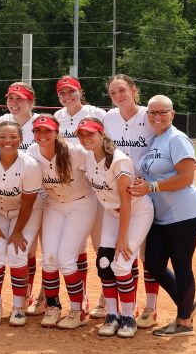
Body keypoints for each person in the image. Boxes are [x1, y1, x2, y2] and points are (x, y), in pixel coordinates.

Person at [129, 96, 196, 337]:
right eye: (152, 112)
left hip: (183, 213)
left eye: (163, 112)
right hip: (162, 215)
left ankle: (184, 323)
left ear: (172, 114)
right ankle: (188, 305)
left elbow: (186, 177)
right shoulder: (157, 139)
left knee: (181, 264)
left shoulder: (176, 138)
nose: (157, 116)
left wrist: (151, 187)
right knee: (153, 263)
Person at [75, 118, 154, 338]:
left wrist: (122, 238)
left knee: (121, 264)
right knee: (104, 262)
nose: (85, 139)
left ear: (102, 135)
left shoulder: (118, 161)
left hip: (136, 211)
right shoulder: (88, 156)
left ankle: (128, 317)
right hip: (112, 212)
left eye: (90, 134)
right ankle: (113, 315)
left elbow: (126, 201)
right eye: (81, 135)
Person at [27, 114, 96, 330]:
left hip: (81, 204)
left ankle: (78, 311)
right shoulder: (31, 152)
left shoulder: (75, 152)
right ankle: (52, 306)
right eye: (38, 130)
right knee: (48, 259)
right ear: (33, 134)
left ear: (57, 133)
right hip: (54, 205)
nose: (43, 134)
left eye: (48, 130)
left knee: (66, 259)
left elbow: (102, 161)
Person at [0, 121, 44, 327]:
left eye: (13, 136)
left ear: (21, 140)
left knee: (17, 251)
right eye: (3, 136)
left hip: (26, 212)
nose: (8, 141)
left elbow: (29, 203)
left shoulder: (30, 165)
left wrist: (17, 231)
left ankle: (18, 306)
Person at [103, 74, 159, 328]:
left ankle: (151, 307)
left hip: (148, 191)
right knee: (126, 254)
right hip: (120, 191)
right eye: (113, 93)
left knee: (148, 254)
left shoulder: (149, 114)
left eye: (122, 90)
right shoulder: (109, 118)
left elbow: (170, 136)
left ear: (134, 90)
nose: (118, 96)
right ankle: (131, 304)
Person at [54, 76, 106, 319]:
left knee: (101, 246)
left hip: (97, 187)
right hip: (71, 188)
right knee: (76, 249)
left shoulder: (96, 113)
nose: (67, 96)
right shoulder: (57, 117)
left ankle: (106, 298)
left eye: (71, 91)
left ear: (80, 91)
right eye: (62, 92)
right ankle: (82, 297)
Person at [0, 82, 42, 313]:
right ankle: (25, 294)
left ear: (30, 102)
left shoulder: (40, 123)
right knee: (29, 249)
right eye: (11, 98)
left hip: (44, 192)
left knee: (47, 249)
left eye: (20, 99)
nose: (14, 103)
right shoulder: (3, 122)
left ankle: (44, 296)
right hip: (14, 194)